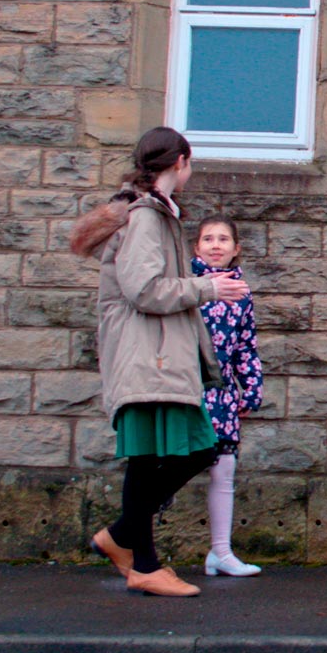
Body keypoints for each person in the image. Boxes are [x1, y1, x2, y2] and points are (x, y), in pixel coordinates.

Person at [69, 127, 248, 597]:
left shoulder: (155, 213)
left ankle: (126, 541)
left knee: (178, 453)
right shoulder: (146, 217)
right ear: (181, 162)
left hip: (160, 353)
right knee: (165, 456)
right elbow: (144, 289)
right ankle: (141, 559)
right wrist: (210, 287)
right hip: (147, 354)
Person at [191, 215, 264, 578]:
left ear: (236, 249)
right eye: (208, 238)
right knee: (169, 467)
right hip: (186, 390)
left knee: (224, 470)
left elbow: (246, 346)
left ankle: (220, 551)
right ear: (196, 247)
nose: (215, 245)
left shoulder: (241, 293)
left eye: (223, 239)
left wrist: (250, 390)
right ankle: (138, 550)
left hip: (221, 395)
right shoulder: (185, 285)